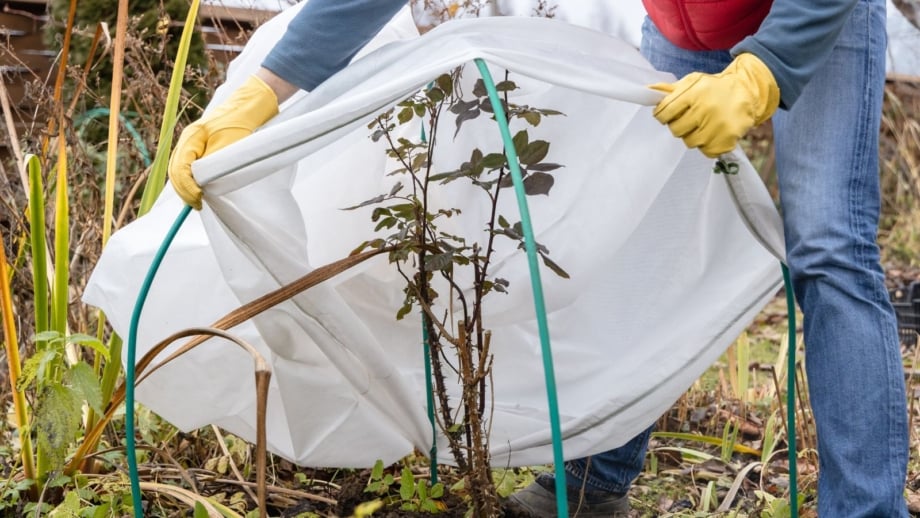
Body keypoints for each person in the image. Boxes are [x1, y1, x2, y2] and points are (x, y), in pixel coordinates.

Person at [168, 0, 909, 516]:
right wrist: (265, 88)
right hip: (683, 25)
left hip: (810, 15)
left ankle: (865, 508)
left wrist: (765, 69)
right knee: (636, 237)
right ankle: (592, 486)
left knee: (828, 249)